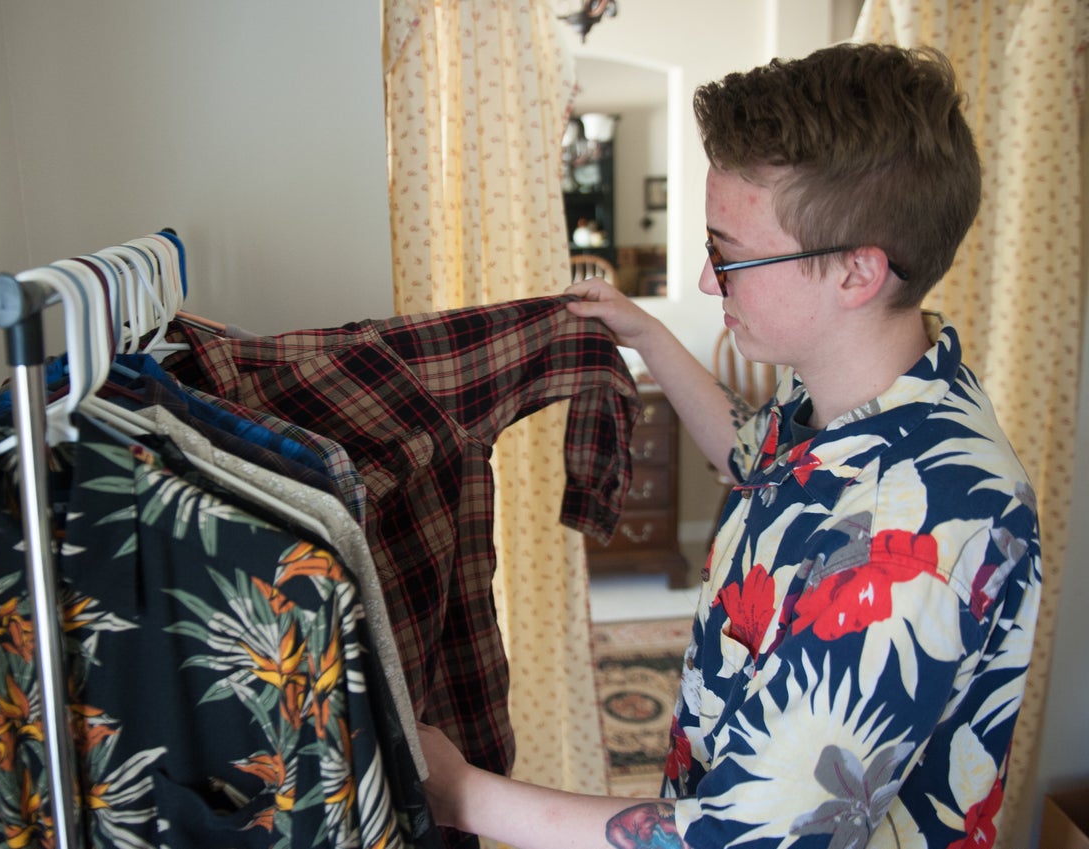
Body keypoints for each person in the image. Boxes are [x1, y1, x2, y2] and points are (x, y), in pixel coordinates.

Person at [417, 41, 1041, 849]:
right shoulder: (855, 390)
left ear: (857, 273)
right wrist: (644, 329)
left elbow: (741, 841)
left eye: (730, 255)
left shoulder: (918, 538)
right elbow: (757, 460)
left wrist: (462, 792)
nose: (711, 282)